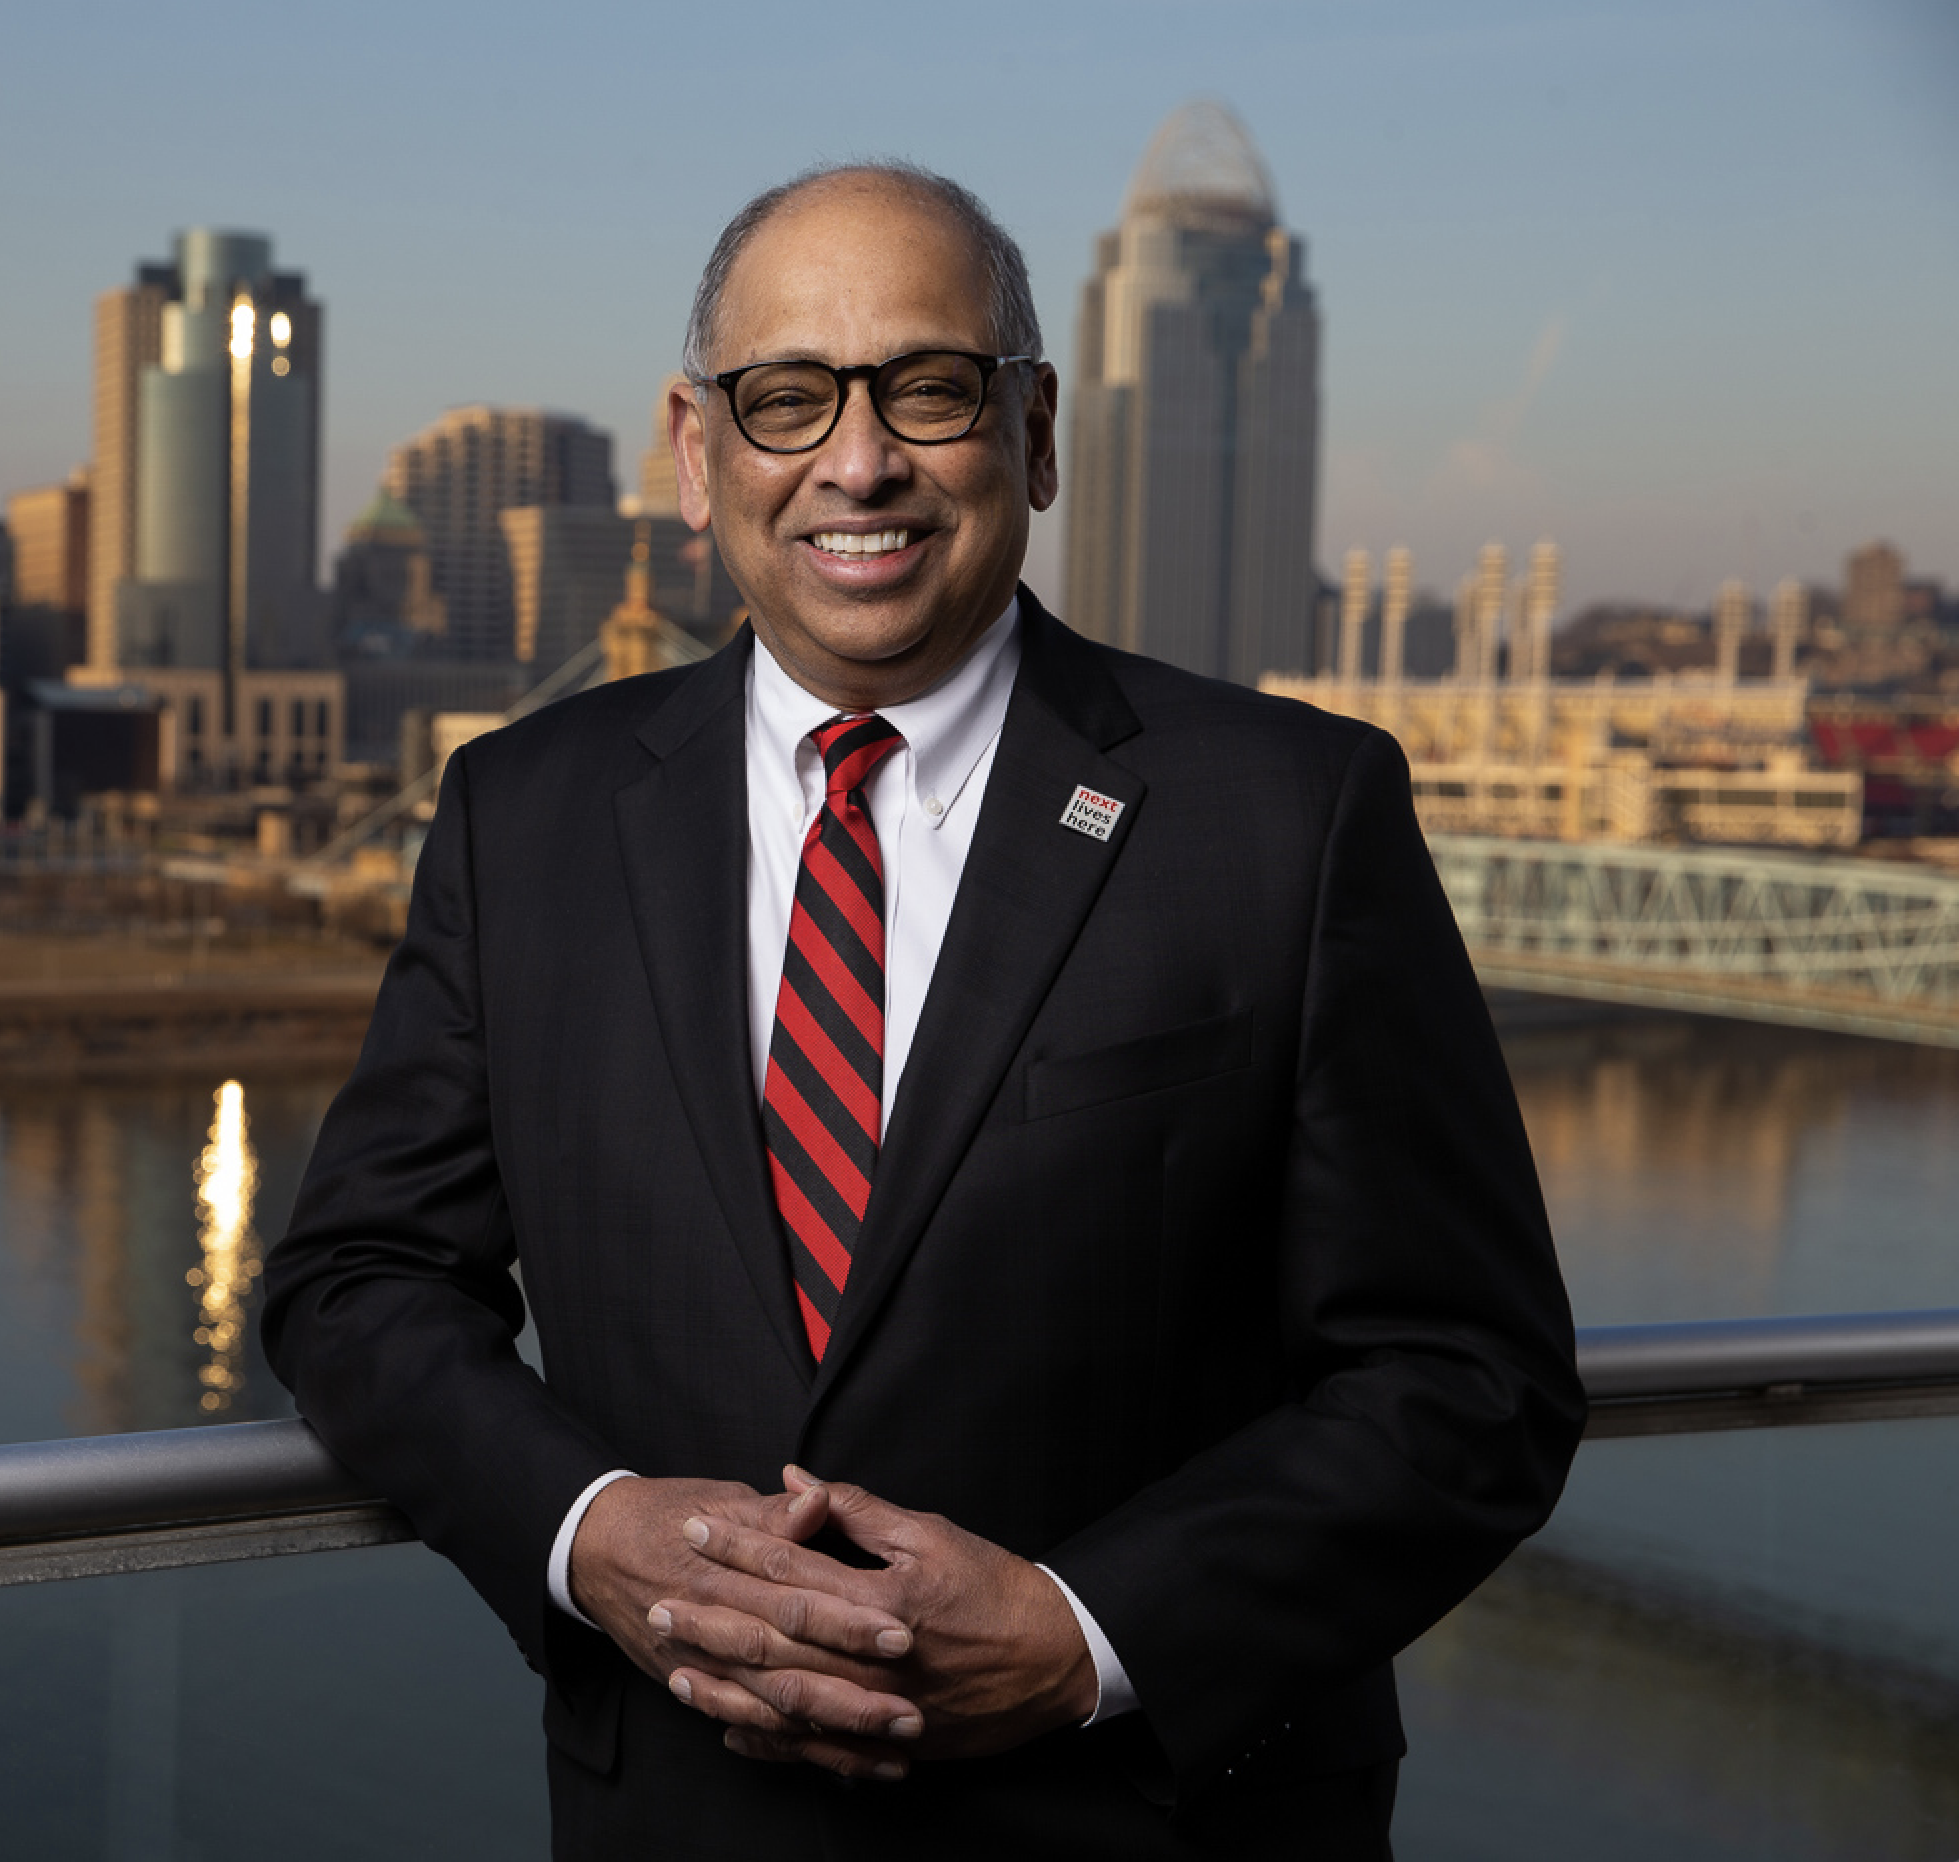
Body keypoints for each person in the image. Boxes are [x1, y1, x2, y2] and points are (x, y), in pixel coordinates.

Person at [261, 162, 1582, 1855]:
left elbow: (1471, 1378)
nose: (859, 460)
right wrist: (587, 1530)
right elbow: (359, 1278)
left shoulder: (1289, 816)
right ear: (694, 451)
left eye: (932, 390)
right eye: (787, 399)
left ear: (1033, 432)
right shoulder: (525, 814)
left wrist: (1082, 1633)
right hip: (678, 1819)